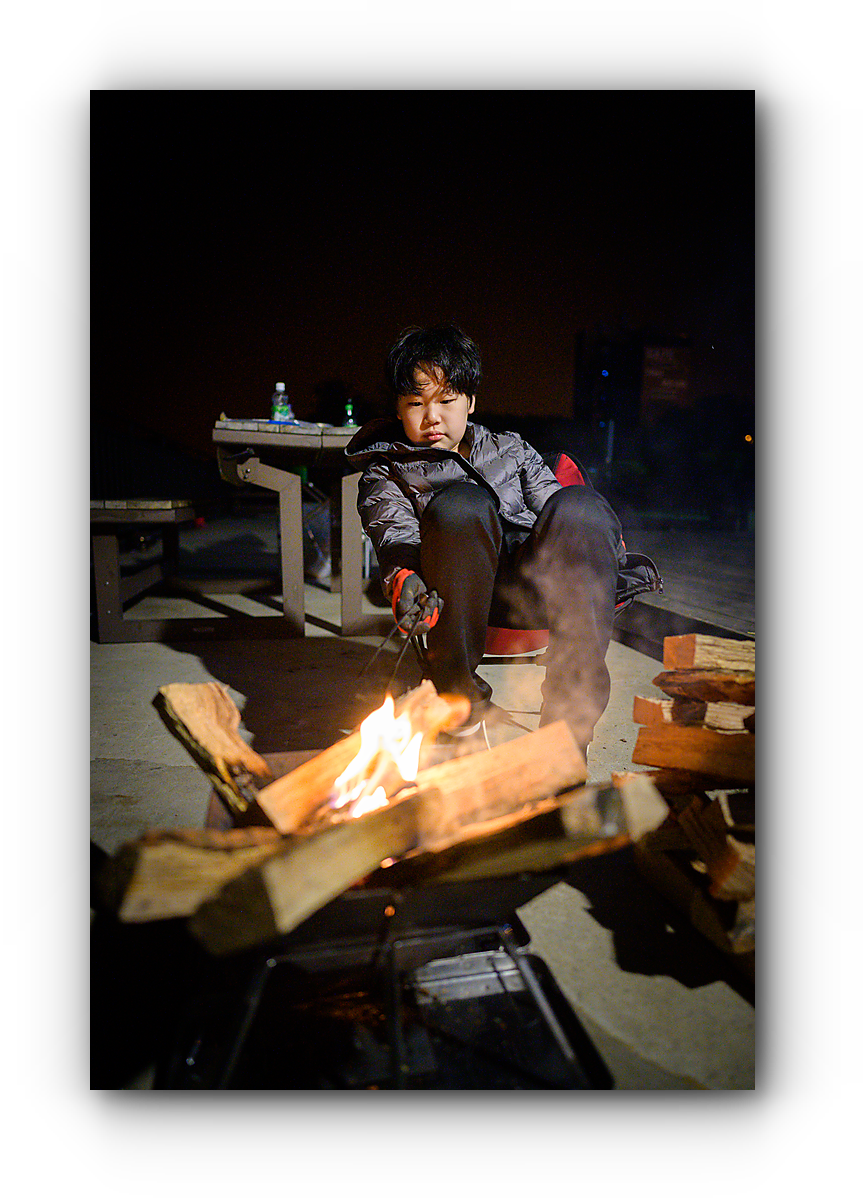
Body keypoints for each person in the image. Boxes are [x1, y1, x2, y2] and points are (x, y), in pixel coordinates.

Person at [344, 323, 625, 754]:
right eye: (415, 403)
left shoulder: (511, 449)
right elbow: (394, 535)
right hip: (457, 599)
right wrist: (403, 578)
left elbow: (561, 515)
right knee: (461, 504)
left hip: (536, 590)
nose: (432, 417)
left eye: (446, 400)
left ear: (470, 402)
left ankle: (567, 733)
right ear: (398, 410)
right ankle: (462, 708)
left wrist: (601, 541)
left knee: (581, 507)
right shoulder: (387, 472)